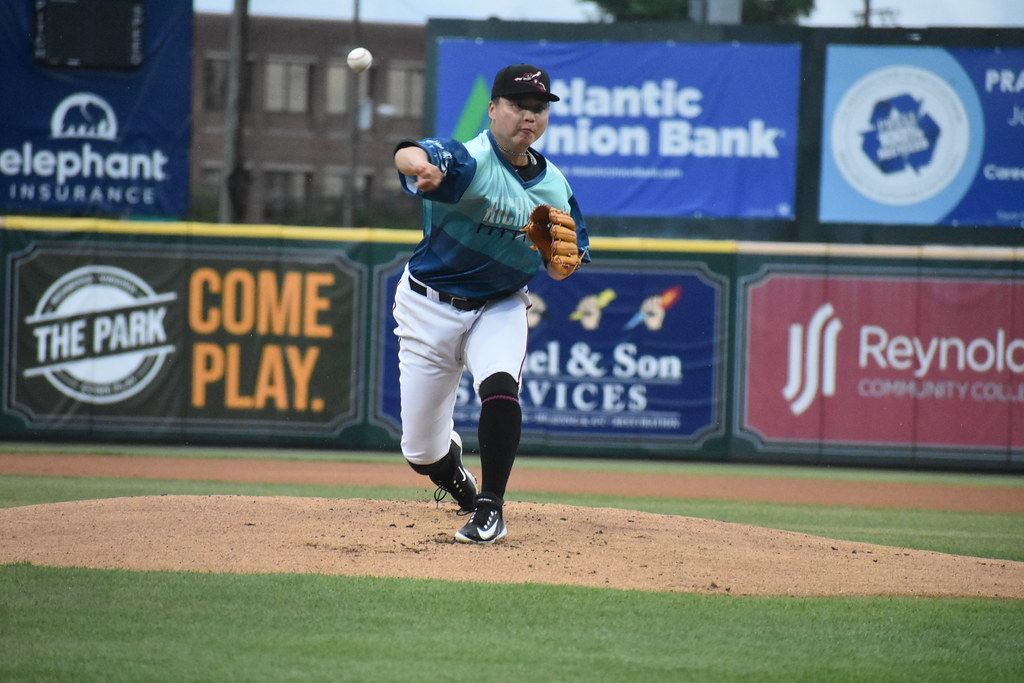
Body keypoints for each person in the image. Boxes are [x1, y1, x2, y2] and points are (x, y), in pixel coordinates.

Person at [392, 63, 590, 544]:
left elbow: (567, 261)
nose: (530, 116)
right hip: (427, 308)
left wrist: (561, 261)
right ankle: (453, 472)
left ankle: (491, 508)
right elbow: (406, 151)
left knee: (500, 385)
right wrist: (421, 168)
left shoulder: (555, 188)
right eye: (520, 106)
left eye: (539, 108)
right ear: (494, 109)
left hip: (498, 305)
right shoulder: (467, 161)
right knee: (421, 453)